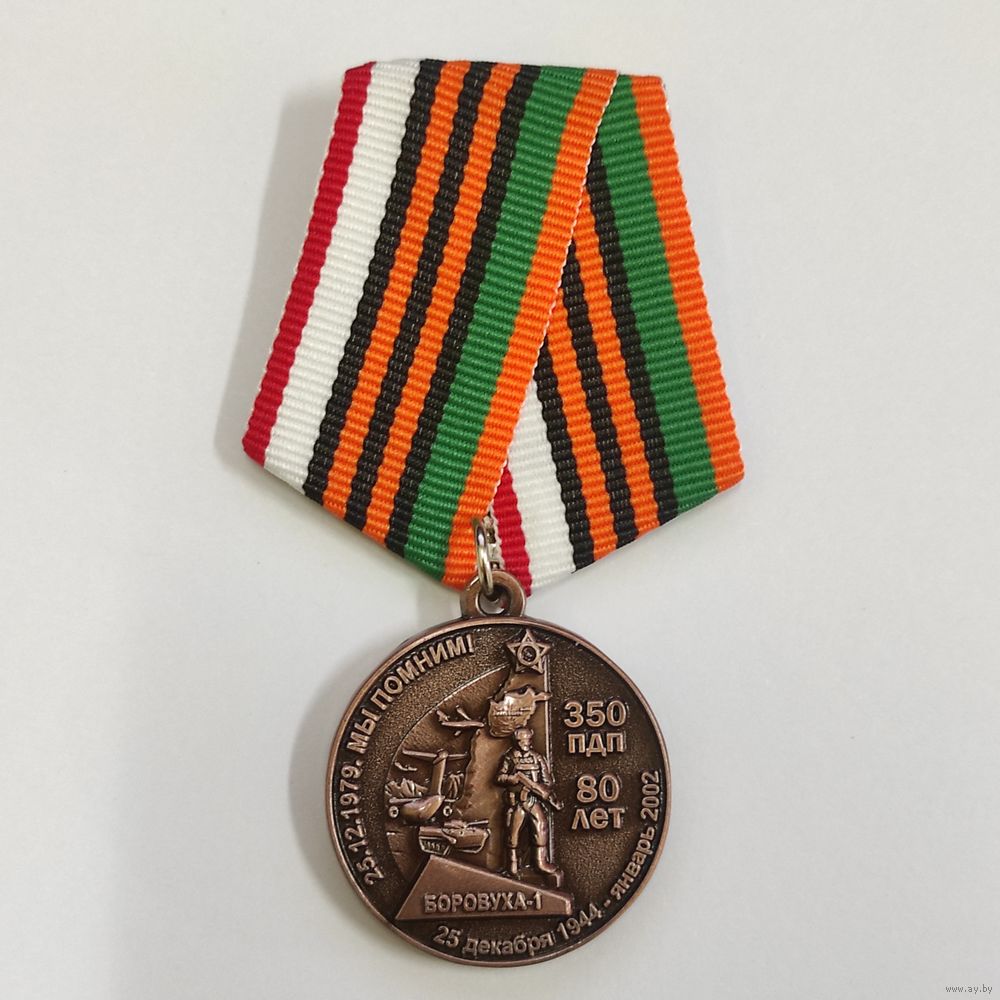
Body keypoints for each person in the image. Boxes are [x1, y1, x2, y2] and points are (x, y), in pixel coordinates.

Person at [495, 727, 563, 887]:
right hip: (516, 802)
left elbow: (547, 781)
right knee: (512, 833)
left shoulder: (537, 758)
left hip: (533, 800)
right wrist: (511, 779)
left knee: (541, 828)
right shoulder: (509, 757)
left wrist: (539, 789)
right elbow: (499, 777)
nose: (525, 743)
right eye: (522, 741)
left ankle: (541, 863)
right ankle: (511, 865)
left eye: (527, 740)